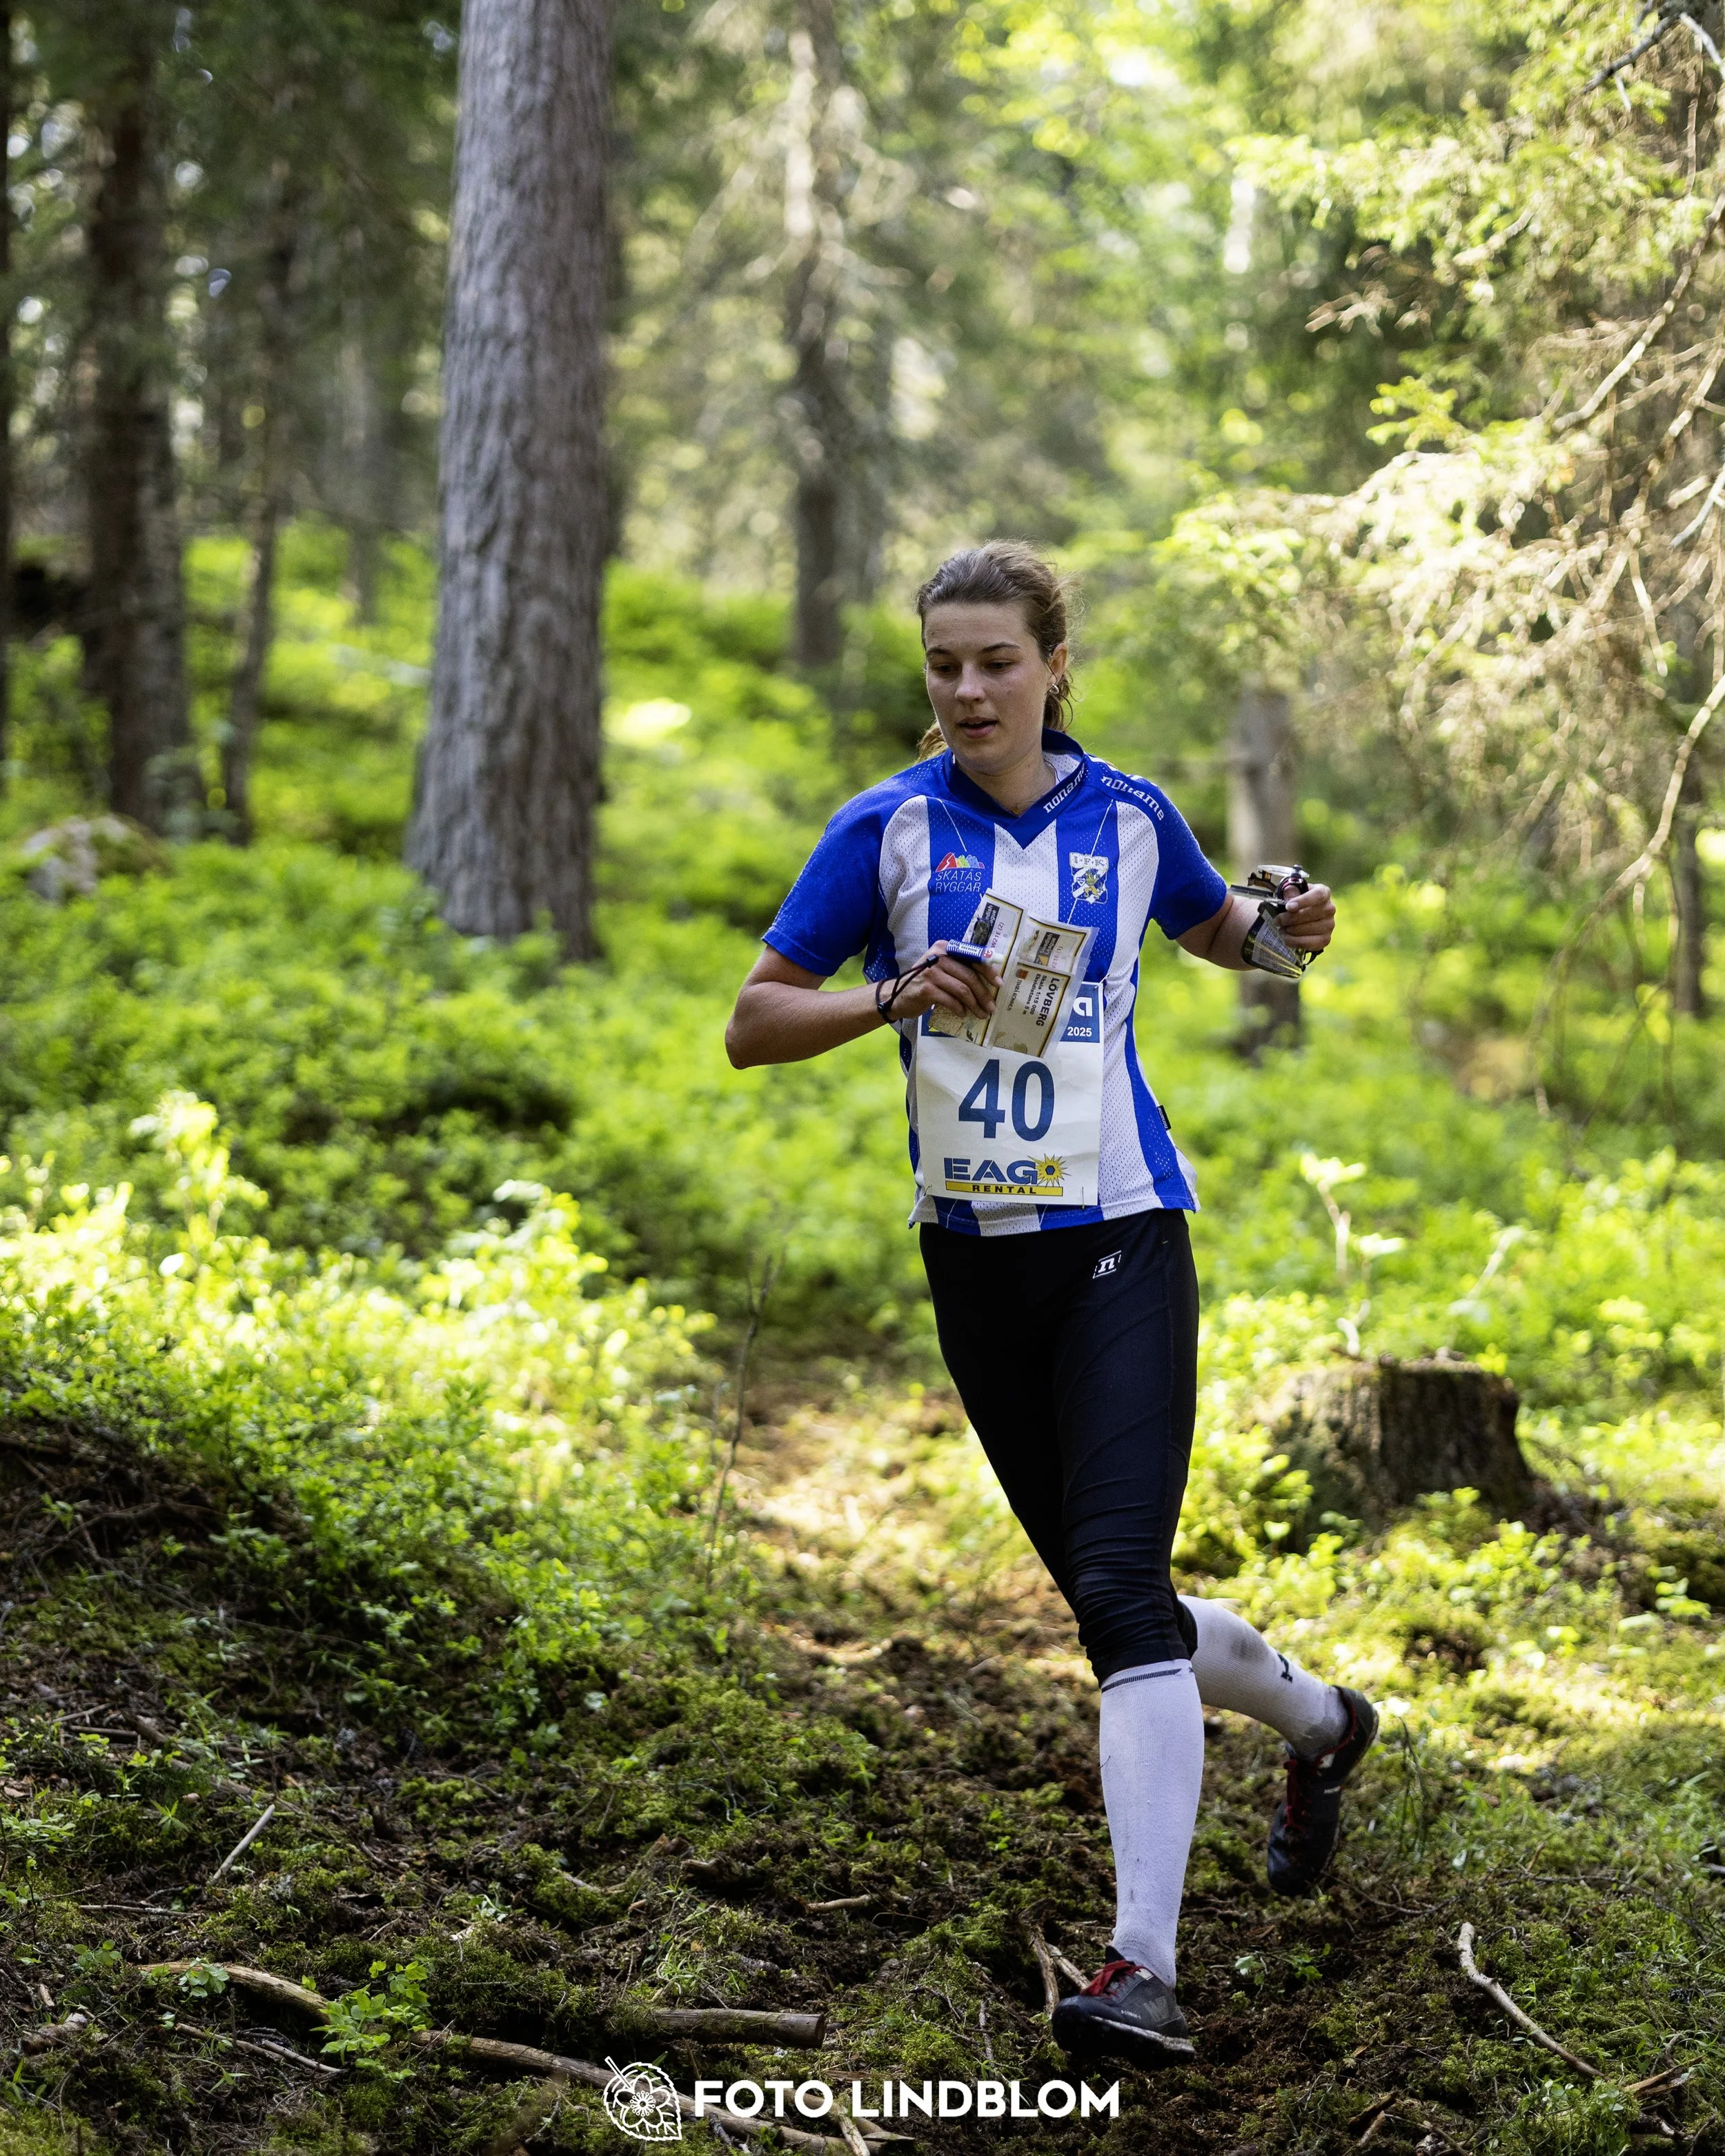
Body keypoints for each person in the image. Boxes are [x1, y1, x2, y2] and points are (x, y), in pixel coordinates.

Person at [724, 541, 1377, 2070]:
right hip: (975, 1258)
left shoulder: (1131, 814)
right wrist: (887, 994)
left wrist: (1298, 930)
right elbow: (753, 1022)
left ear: (1053, 665)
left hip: (1120, 1239)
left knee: (1110, 1576)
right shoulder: (882, 826)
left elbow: (1233, 936)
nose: (965, 689)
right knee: (1117, 1602)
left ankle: (1139, 1965)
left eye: (994, 661)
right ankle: (1325, 1725)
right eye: (942, 664)